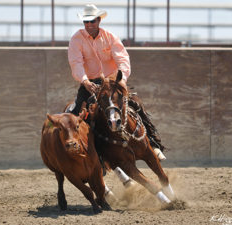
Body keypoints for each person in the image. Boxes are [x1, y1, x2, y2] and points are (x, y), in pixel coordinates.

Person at [67, 4, 166, 159]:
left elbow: (122, 60)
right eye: (86, 22)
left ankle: (153, 143)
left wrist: (122, 80)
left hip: (112, 83)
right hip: (89, 83)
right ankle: (83, 154)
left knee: (136, 105)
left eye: (92, 21)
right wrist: (85, 81)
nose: (89, 25)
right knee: (74, 115)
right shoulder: (76, 39)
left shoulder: (110, 37)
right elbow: (76, 63)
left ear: (99, 20)